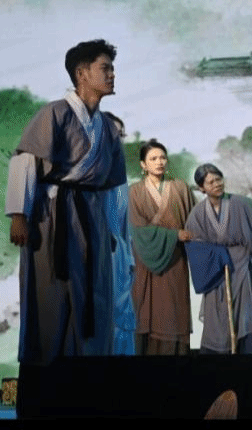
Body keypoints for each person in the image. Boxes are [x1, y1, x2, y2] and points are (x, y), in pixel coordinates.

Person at [6, 39, 127, 364]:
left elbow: (110, 186)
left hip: (93, 218)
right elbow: (26, 161)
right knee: (52, 292)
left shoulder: (107, 127)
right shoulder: (55, 113)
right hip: (54, 216)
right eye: (105, 68)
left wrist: (111, 230)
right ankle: (45, 379)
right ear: (82, 73)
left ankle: (88, 375)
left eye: (112, 68)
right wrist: (19, 215)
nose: (112, 74)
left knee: (95, 293)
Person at [185, 163, 252, 354]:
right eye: (211, 182)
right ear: (202, 188)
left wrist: (244, 249)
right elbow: (195, 246)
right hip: (217, 273)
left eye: (219, 179)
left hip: (245, 269)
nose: (217, 184)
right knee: (218, 322)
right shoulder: (197, 213)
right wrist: (219, 254)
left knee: (249, 315)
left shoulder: (242, 203)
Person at [128, 139, 196, 355]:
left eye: (163, 157)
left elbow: (195, 223)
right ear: (143, 164)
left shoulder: (180, 188)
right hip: (145, 260)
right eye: (153, 158)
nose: (159, 162)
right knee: (146, 312)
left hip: (175, 261)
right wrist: (174, 235)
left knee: (174, 313)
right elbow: (136, 230)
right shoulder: (134, 192)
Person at [104, 111, 136, 355]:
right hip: (96, 255)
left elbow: (124, 224)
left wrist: (129, 258)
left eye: (121, 135)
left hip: (120, 256)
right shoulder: (88, 173)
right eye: (113, 134)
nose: (118, 139)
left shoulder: (121, 176)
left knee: (123, 317)